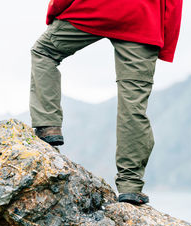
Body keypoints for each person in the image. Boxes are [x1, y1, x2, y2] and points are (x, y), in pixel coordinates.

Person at [30, 0, 183, 205]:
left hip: (101, 5)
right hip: (144, 17)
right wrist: (165, 39)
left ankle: (48, 125)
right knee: (133, 103)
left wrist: (56, 8)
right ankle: (130, 186)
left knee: (44, 51)